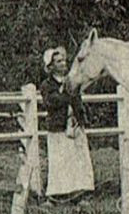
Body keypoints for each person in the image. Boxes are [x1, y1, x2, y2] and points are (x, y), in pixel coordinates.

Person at [40, 46, 94, 202]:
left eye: (64, 60)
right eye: (58, 61)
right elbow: (52, 102)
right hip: (59, 128)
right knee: (61, 161)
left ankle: (79, 193)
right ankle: (58, 195)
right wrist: (68, 94)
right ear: (51, 66)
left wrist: (82, 119)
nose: (63, 64)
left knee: (78, 160)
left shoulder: (72, 81)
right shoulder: (47, 85)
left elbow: (78, 102)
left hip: (74, 126)